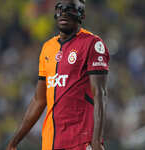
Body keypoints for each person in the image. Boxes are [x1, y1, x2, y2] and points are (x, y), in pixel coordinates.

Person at [6, 0, 109, 150]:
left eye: (70, 9)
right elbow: (39, 100)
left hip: (80, 140)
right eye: (60, 8)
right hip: (51, 142)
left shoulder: (92, 44)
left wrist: (97, 140)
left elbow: (100, 94)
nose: (64, 13)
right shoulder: (47, 48)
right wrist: (14, 141)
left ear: (82, 15)